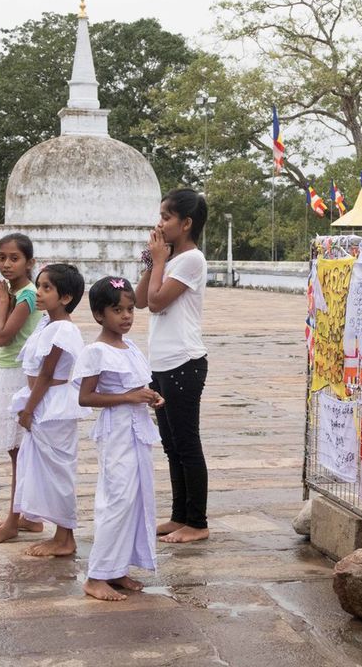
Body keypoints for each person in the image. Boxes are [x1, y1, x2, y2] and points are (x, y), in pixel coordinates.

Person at [75, 277, 165, 601]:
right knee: (117, 499)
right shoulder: (96, 351)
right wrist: (128, 398)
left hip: (137, 430)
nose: (126, 316)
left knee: (136, 498)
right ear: (100, 315)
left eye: (129, 309)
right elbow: (86, 398)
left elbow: (137, 387)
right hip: (116, 432)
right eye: (117, 310)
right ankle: (96, 575)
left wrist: (150, 397)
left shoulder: (131, 347)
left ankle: (118, 567)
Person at [136, 188, 210, 544]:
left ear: (186, 223)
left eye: (167, 217)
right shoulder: (168, 260)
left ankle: (197, 521)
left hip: (185, 361)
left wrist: (160, 262)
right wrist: (151, 262)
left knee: (187, 443)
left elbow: (156, 302)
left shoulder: (192, 260)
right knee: (171, 445)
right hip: (161, 362)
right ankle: (179, 515)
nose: (160, 223)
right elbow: (137, 299)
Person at [10, 263, 88, 557]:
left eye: (47, 288)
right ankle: (50, 526)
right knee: (44, 469)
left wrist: (29, 409)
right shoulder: (47, 324)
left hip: (51, 405)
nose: (39, 293)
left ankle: (65, 537)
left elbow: (46, 373)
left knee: (58, 471)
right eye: (39, 285)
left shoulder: (64, 330)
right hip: (42, 402)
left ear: (65, 297)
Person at [0, 233, 45, 544]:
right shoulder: (12, 293)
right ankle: (28, 517)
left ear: (29, 263)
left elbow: (5, 337)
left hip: (20, 375)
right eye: (1, 258)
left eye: (14, 258)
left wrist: (4, 301)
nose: (6, 264)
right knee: (16, 450)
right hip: (6, 371)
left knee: (18, 451)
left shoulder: (28, 295)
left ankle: (13, 519)